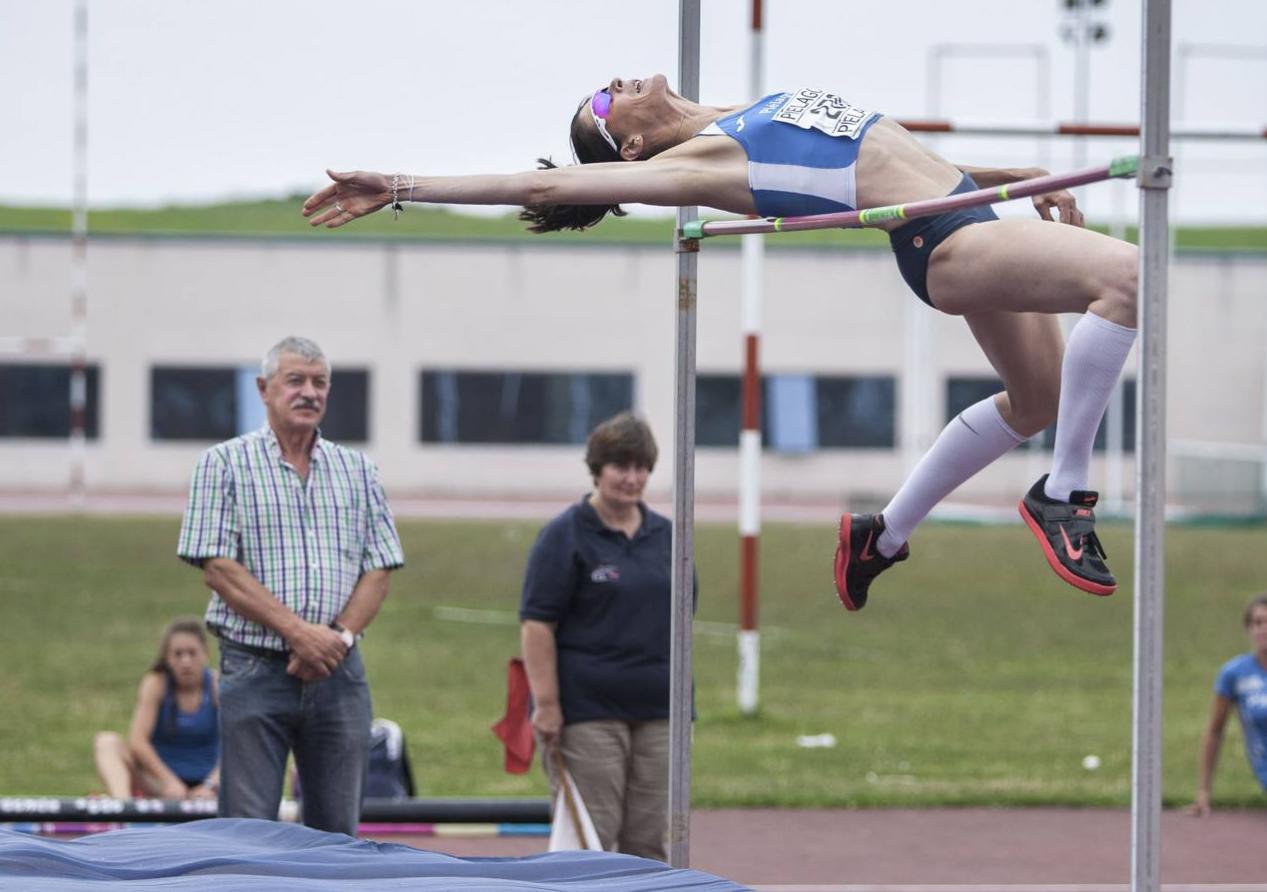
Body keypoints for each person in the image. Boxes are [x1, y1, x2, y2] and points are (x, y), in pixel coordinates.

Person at [304, 76, 1138, 611]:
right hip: (949, 248)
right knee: (1132, 279)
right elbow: (546, 183)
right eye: (603, 101)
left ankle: (879, 537)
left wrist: (1023, 186)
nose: (616, 81)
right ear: (628, 148)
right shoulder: (706, 162)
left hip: (968, 212)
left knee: (1036, 399)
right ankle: (1063, 493)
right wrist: (403, 185)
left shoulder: (744, 107)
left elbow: (896, 154)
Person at [176, 335, 405, 835]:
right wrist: (299, 632)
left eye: (319, 382)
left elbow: (381, 566)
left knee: (337, 833)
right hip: (255, 668)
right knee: (247, 831)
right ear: (264, 389)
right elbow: (217, 566)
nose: (309, 392)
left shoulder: (357, 470)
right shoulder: (224, 465)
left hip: (339, 673)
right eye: (295, 380)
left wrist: (337, 639)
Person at [518, 412, 685, 861]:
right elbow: (537, 625)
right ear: (597, 468)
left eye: (641, 468)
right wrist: (548, 706)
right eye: (620, 466)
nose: (631, 478)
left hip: (659, 711)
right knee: (593, 836)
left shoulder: (669, 537)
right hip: (587, 712)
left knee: (650, 839)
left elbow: (683, 619)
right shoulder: (564, 535)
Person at [93, 617, 220, 799]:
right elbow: (138, 741)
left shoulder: (217, 685)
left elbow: (237, 745)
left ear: (205, 654)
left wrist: (211, 785)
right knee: (106, 742)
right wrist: (169, 781)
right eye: (178, 654)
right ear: (167, 658)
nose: (185, 662)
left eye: (192, 653)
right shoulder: (156, 684)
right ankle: (122, 809)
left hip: (208, 786)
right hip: (162, 784)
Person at [1192, 592, 1267, 817]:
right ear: (1249, 630)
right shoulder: (1235, 674)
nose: (1266, 628)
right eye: (1258, 622)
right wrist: (1204, 791)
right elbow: (1215, 732)